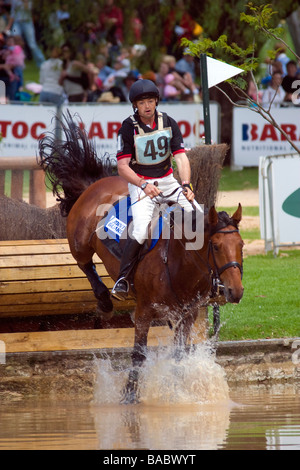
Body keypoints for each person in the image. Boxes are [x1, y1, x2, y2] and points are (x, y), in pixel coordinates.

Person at [111, 78, 202, 301]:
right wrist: (143, 184)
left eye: (151, 101)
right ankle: (123, 280)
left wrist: (187, 184)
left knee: (199, 218)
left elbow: (180, 157)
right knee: (141, 229)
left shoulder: (169, 122)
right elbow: (122, 167)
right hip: (140, 184)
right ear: (135, 105)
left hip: (168, 181)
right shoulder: (127, 128)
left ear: (157, 101)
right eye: (142, 103)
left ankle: (209, 275)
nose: (147, 106)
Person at [6, 0, 45, 68]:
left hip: (27, 23)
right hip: (17, 23)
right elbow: (13, 13)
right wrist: (9, 26)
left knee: (32, 44)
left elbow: (28, 9)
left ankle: (41, 62)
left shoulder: (29, 1)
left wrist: (24, 1)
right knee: (14, 42)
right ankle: (17, 62)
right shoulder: (15, 1)